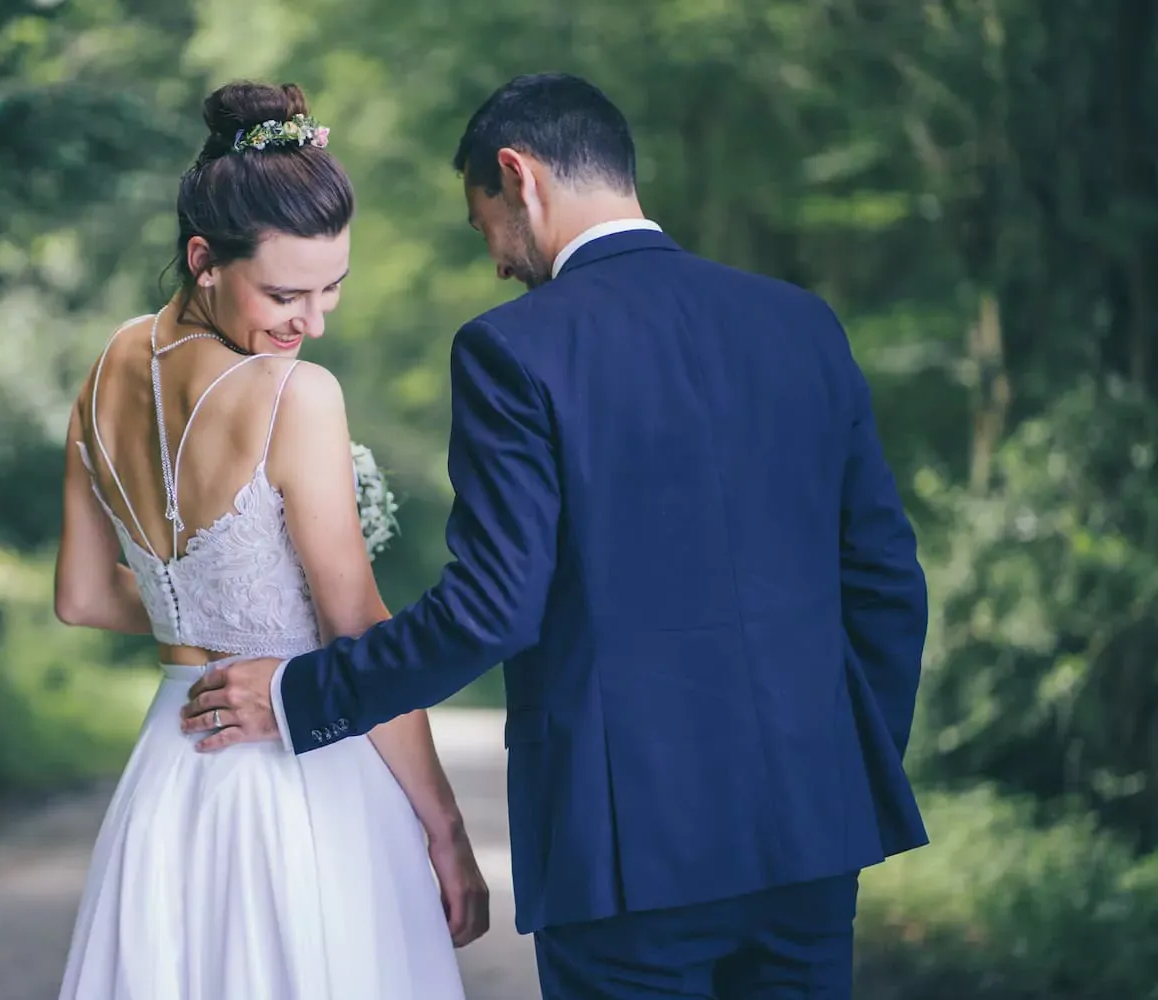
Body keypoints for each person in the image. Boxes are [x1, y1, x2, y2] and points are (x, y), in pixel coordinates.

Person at [183, 72, 930, 999]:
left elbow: (493, 610)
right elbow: (887, 584)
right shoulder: (801, 324)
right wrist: (840, 768)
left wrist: (299, 695)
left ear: (518, 177)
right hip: (813, 834)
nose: (498, 263)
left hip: (622, 853)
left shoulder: (514, 350)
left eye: (483, 226)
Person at [52, 79, 486, 1000]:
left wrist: (202, 619)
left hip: (169, 778)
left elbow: (82, 599)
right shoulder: (297, 396)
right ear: (203, 259)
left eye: (332, 290)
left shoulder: (103, 372)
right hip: (299, 778)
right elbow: (355, 628)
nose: (312, 323)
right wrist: (446, 829)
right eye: (286, 294)